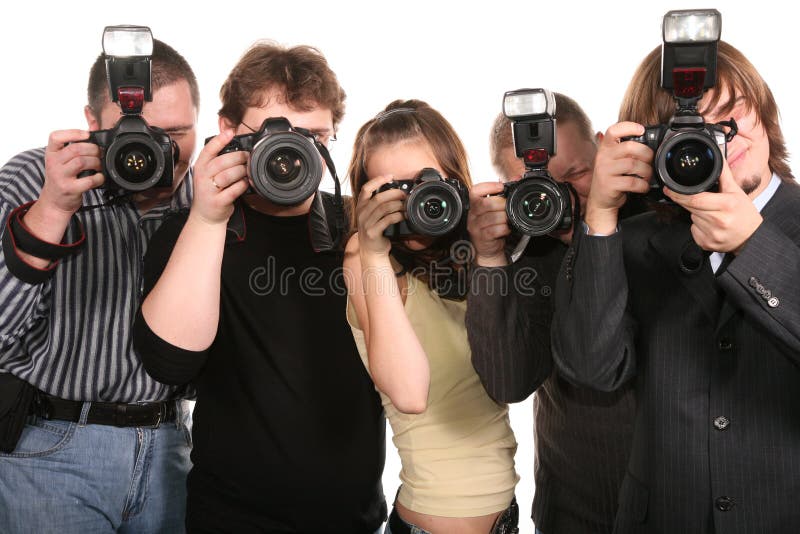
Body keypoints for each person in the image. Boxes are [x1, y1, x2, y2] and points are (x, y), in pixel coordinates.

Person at [133, 42, 386, 533]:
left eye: (314, 135)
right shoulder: (191, 231)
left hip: (353, 518)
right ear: (229, 131)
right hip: (230, 518)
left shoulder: (359, 227)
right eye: (279, 133)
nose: (296, 154)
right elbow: (169, 362)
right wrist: (209, 218)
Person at [551, 40, 800, 533]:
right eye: (699, 129)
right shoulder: (636, 239)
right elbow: (590, 369)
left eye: (735, 112)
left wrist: (753, 244)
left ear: (765, 109)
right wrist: (600, 217)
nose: (727, 137)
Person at [0, 38, 198, 533]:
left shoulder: (207, 195)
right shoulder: (35, 180)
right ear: (92, 123)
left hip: (173, 445)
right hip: (54, 448)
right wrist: (52, 212)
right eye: (139, 135)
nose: (159, 153)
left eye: (177, 133)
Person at [345, 99, 520, 534]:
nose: (412, 203)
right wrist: (372, 251)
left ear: (454, 181)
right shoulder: (365, 260)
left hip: (508, 517)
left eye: (425, 183)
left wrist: (491, 249)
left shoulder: (474, 253)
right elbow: (409, 394)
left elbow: (517, 373)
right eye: (391, 190)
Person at [466, 93, 636, 534]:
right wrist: (488, 258)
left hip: (681, 502)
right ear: (506, 188)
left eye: (577, 173)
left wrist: (600, 223)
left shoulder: (656, 225)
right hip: (577, 506)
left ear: (603, 147)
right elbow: (509, 381)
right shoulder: (524, 261)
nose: (562, 195)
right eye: (536, 185)